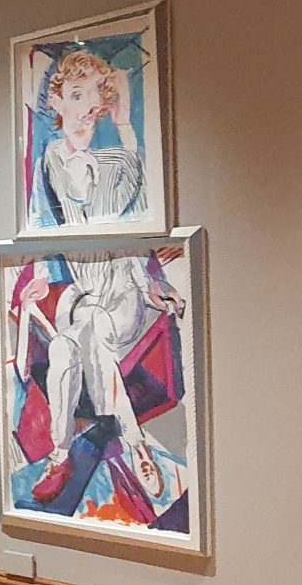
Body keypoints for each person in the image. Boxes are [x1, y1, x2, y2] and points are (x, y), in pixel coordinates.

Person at [14, 249, 182, 505]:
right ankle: (75, 450)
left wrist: (155, 284)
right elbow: (49, 253)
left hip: (122, 296)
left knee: (95, 326)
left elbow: (143, 260)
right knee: (61, 347)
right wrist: (41, 278)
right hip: (77, 300)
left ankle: (122, 446)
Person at [30, 46, 145, 228]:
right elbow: (37, 227)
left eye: (93, 106)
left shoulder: (117, 163)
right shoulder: (46, 164)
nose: (84, 113)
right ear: (57, 103)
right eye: (76, 96)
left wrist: (124, 125)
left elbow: (142, 213)